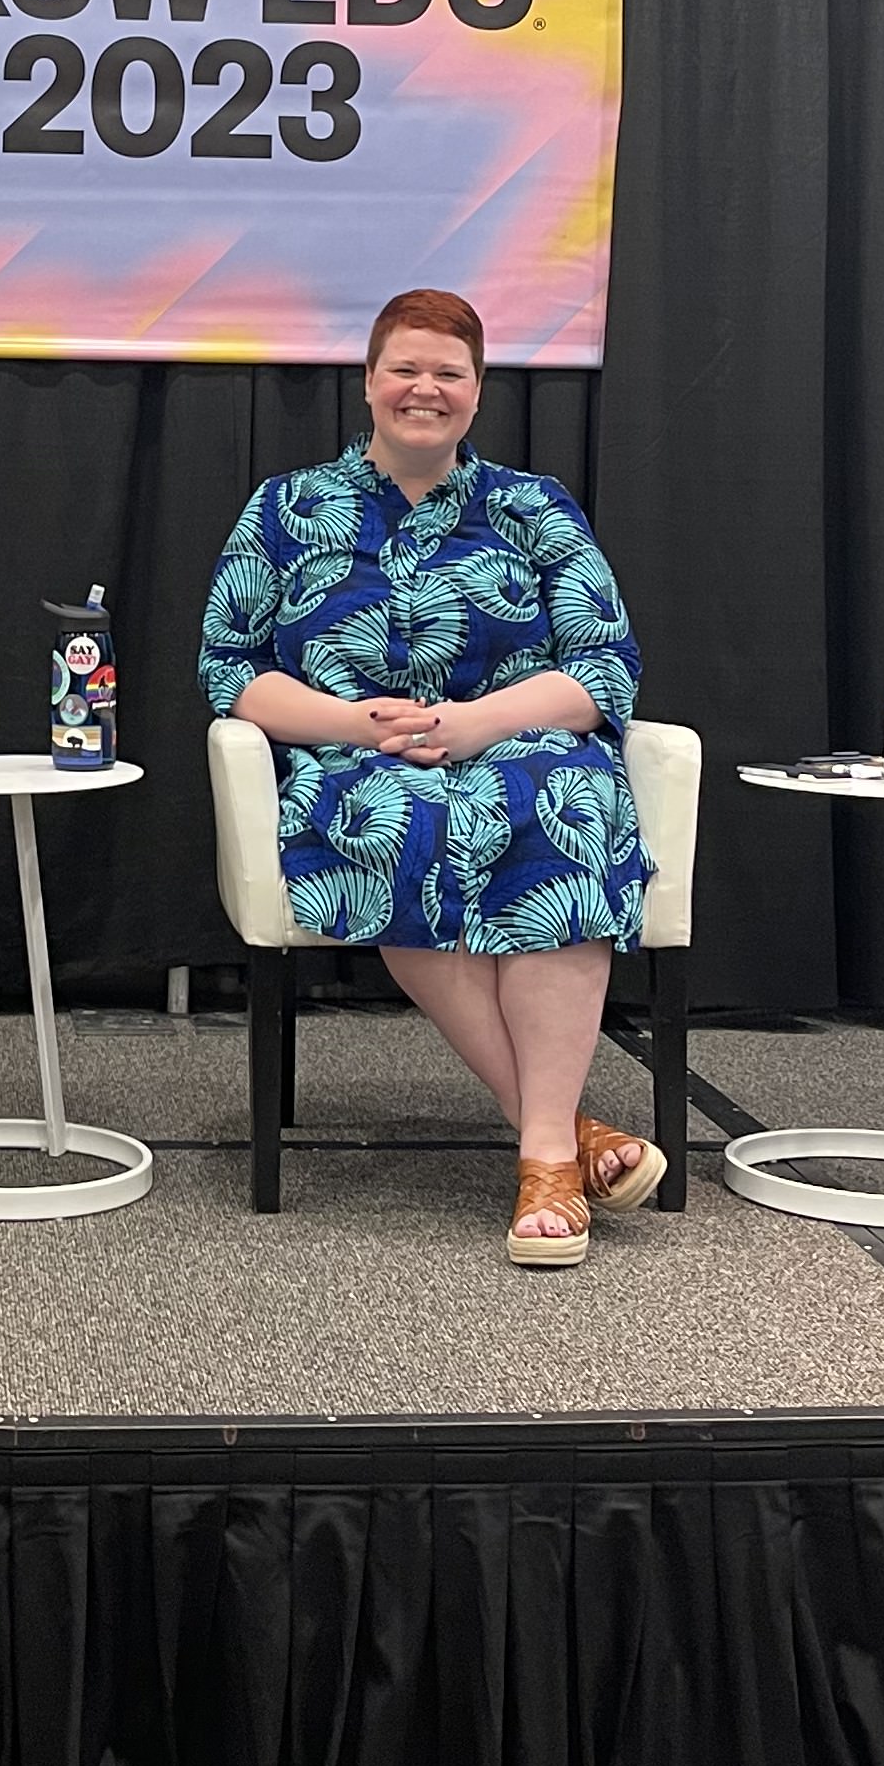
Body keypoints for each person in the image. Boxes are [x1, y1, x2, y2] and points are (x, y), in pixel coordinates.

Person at [199, 288, 661, 1268]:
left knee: (559, 816)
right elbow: (228, 667)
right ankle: (568, 1137)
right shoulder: (287, 508)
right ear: (368, 383)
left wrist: (473, 725)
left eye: (448, 373)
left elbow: (605, 666)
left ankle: (542, 1155)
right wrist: (352, 722)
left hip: (517, 744)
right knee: (393, 825)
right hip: (351, 754)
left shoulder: (531, 508)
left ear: (476, 392)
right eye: (405, 369)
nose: (424, 388)